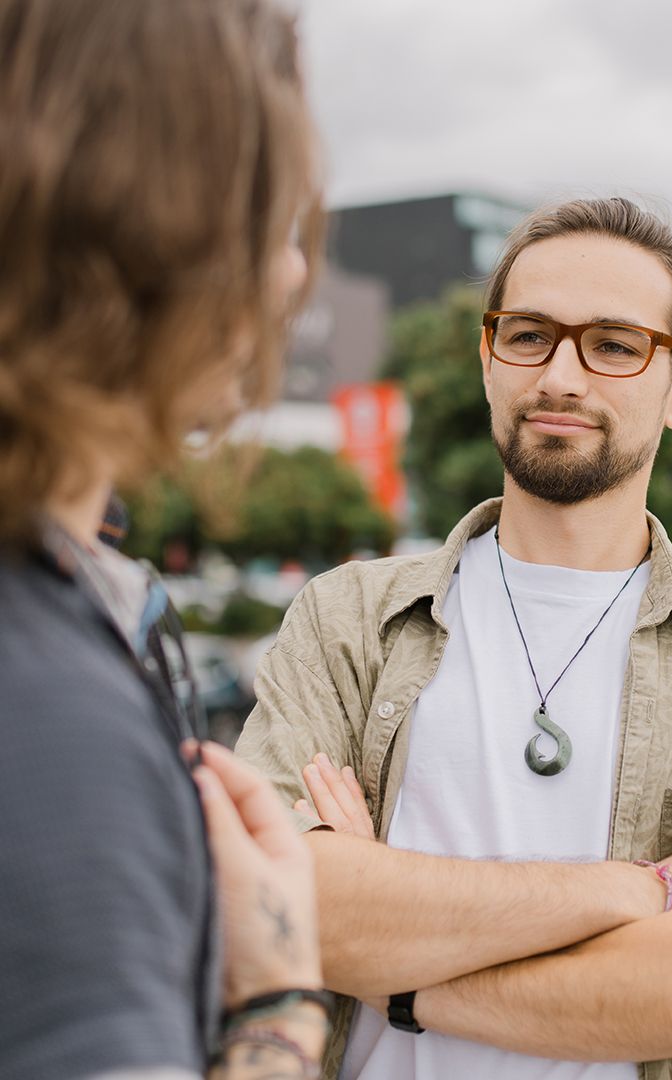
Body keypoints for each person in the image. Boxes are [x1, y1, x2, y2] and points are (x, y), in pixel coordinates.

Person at [236, 197, 672, 1080]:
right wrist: (630, 892)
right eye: (528, 336)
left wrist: (401, 981)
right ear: (488, 361)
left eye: (614, 345)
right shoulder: (347, 621)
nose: (562, 375)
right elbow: (269, 902)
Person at [0, 0, 333, 1076]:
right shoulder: (52, 721)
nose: (292, 278)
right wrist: (278, 1012)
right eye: (276, 223)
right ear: (159, 230)